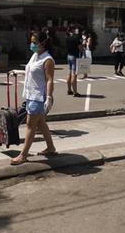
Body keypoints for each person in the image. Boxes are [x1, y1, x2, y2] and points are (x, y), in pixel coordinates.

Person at [10, 31, 57, 165]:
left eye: (34, 42)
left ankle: (23, 155)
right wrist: (18, 72)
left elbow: (49, 80)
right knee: (41, 124)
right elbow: (30, 71)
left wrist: (49, 97)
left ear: (43, 43)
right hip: (30, 94)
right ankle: (51, 147)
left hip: (38, 97)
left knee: (30, 125)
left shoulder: (48, 60)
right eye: (31, 42)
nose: (32, 45)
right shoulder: (35, 55)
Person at [65, 26, 82, 96]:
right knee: (74, 74)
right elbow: (80, 47)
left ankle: (69, 90)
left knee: (69, 73)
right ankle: (75, 92)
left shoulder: (67, 37)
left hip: (69, 56)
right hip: (75, 56)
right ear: (73, 30)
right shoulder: (76, 37)